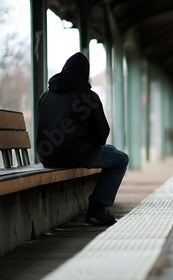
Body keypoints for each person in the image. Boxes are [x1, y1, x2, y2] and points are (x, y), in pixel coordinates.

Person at [36, 52, 129, 226]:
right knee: (121, 159)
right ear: (84, 73)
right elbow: (102, 134)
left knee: (112, 152)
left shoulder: (45, 96)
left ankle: (97, 207)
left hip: (47, 156)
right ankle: (97, 207)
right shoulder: (88, 96)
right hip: (78, 154)